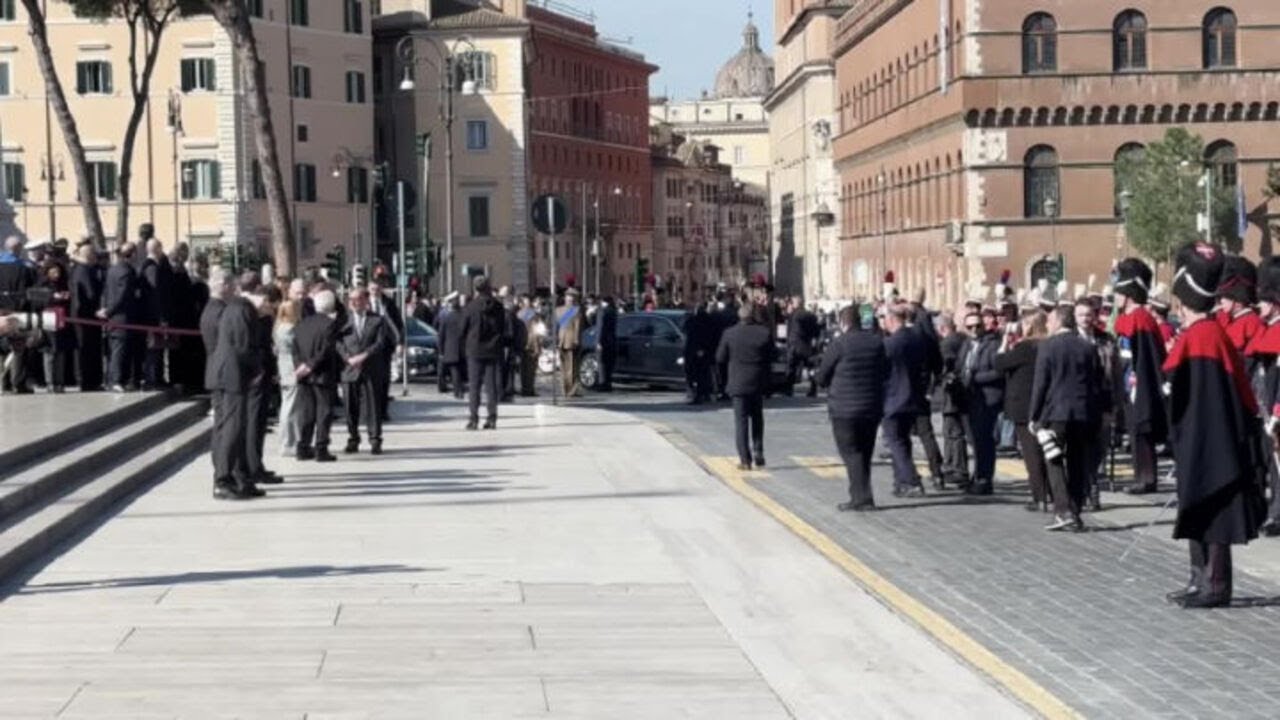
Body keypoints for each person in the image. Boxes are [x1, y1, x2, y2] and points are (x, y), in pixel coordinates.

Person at [1164, 242, 1265, 608]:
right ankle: (1199, 576)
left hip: (1212, 439)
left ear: (1183, 300)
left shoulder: (1205, 335)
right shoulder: (1200, 334)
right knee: (1197, 506)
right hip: (1199, 438)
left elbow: (1196, 394)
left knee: (1215, 510)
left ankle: (1216, 582)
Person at [1029, 305, 1107, 532]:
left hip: (1057, 412)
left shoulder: (1048, 347)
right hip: (1084, 412)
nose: (1047, 325)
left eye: (1050, 321)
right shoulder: (1088, 347)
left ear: (1059, 321)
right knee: (1078, 463)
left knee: (1053, 459)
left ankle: (1062, 510)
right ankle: (1075, 511)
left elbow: (1040, 383)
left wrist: (1034, 414)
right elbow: (1097, 382)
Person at [818, 305, 887, 511]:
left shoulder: (839, 344)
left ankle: (861, 498)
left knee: (850, 452)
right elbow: (885, 370)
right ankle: (862, 494)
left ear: (844, 322)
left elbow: (822, 377)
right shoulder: (877, 343)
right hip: (871, 406)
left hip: (844, 409)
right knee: (864, 452)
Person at [1113, 257, 1169, 494]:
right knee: (1134, 431)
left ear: (1128, 293)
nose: (1115, 296)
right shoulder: (1127, 317)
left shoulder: (1141, 318)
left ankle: (1147, 478)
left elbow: (1145, 356)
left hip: (1138, 381)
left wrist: (1138, 379)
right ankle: (1140, 475)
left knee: (1142, 431)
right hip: (1126, 380)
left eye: (1118, 291)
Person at [208, 275, 266, 500]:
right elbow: (243, 346)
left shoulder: (234, 308)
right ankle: (223, 479)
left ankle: (237, 476)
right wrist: (257, 368)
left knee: (232, 427)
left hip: (227, 373)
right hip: (232, 375)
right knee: (232, 428)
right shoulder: (243, 309)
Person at [994, 308, 1050, 512]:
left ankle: (1039, 496)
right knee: (1047, 452)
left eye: (1025, 323)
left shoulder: (1026, 347)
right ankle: (1051, 492)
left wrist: (1003, 344)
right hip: (1045, 405)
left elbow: (999, 364)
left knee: (1031, 453)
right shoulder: (1048, 345)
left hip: (1023, 406)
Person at [717, 304, 777, 470]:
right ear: (753, 317)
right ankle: (758, 451)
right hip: (757, 381)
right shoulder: (763, 332)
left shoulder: (729, 334)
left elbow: (720, 357)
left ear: (739, 317)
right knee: (757, 418)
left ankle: (745, 459)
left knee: (741, 421)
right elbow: (773, 355)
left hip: (737, 382)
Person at [881, 303, 930, 497]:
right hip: (914, 396)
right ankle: (900, 481)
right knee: (903, 441)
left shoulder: (891, 344)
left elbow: (882, 370)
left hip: (894, 398)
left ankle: (911, 480)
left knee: (895, 441)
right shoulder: (917, 339)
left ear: (892, 320)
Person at [1076, 298, 1119, 509]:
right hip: (1077, 401)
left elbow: (1116, 373)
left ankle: (1091, 481)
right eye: (1081, 314)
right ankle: (1088, 488)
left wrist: (1116, 403)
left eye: (1088, 314)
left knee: (1098, 448)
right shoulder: (1070, 339)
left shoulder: (1106, 340)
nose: (1085, 318)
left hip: (1102, 400)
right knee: (1080, 448)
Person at [338, 288, 390, 454]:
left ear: (366, 301)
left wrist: (364, 356)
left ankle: (375, 439)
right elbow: (337, 342)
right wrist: (348, 358)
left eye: (358, 298)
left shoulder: (377, 320)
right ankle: (353, 438)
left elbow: (380, 342)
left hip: (370, 368)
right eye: (351, 299)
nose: (353, 302)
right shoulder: (343, 320)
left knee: (373, 406)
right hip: (349, 368)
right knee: (350, 407)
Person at [960, 308, 1004, 495]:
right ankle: (977, 474)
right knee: (974, 439)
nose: (974, 330)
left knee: (984, 440)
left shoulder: (993, 344)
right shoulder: (967, 344)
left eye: (978, 326)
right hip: (969, 397)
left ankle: (985, 478)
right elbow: (961, 365)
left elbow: (998, 371)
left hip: (987, 397)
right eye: (970, 327)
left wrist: (976, 378)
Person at [292, 290, 339, 462]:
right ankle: (321, 447)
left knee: (307, 412)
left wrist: (300, 366)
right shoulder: (330, 324)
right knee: (324, 411)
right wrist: (311, 365)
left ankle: (303, 446)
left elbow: (294, 348)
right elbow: (326, 349)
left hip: (303, 374)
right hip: (322, 374)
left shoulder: (301, 324)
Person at [461, 276, 508, 430]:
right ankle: (492, 418)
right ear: (489, 287)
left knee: (474, 386)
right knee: (491, 386)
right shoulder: (498, 307)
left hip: (474, 351)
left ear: (475, 288)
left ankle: (473, 419)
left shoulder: (470, 307)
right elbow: (502, 328)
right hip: (493, 350)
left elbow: (463, 329)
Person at [99, 242, 141, 393]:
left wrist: (104, 309)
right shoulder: (127, 271)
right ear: (132, 254)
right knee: (119, 351)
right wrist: (109, 311)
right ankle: (115, 380)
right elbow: (122, 296)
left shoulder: (112, 269)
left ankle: (113, 379)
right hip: (122, 317)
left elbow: (106, 291)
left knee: (115, 350)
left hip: (113, 317)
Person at [938, 314, 970, 487]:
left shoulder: (947, 344)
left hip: (952, 394)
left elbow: (946, 366)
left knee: (953, 433)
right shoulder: (963, 339)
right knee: (952, 431)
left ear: (942, 328)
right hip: (961, 392)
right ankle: (951, 466)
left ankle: (957, 469)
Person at [138, 235, 173, 389]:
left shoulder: (147, 265)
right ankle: (153, 378)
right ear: (157, 249)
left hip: (149, 314)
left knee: (156, 348)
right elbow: (155, 293)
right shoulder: (152, 268)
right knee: (154, 348)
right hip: (152, 316)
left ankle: (156, 376)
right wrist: (161, 316)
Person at [69, 242, 104, 391]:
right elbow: (90, 293)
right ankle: (88, 381)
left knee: (87, 349)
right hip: (86, 316)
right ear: (89, 255)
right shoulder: (84, 271)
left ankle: (88, 380)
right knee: (88, 350)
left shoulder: (78, 269)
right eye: (94, 254)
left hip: (82, 316)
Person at [367, 281, 402, 423]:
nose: (375, 291)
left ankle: (382, 411)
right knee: (369, 381)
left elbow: (398, 323)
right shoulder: (363, 301)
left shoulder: (388, 303)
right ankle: (370, 411)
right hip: (368, 347)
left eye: (377, 289)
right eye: (372, 289)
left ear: (381, 289)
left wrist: (400, 342)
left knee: (383, 380)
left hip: (384, 347)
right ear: (368, 290)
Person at [273, 298, 302, 457]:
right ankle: (289, 442)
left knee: (288, 405)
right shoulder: (291, 329)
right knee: (291, 407)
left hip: (283, 368)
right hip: (292, 369)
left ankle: (289, 440)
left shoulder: (278, 328)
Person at [786, 296, 821, 397]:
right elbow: (816, 332)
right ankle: (813, 388)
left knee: (791, 367)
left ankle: (789, 389)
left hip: (794, 344)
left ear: (795, 304)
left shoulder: (792, 315)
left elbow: (789, 330)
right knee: (811, 367)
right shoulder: (810, 315)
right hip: (806, 345)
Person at [438, 293, 465, 398]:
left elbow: (441, 336)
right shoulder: (463, 316)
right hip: (463, 348)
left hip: (450, 349)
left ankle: (457, 391)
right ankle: (460, 389)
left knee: (455, 371)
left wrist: (441, 351)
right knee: (461, 370)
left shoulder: (446, 318)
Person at [558, 289, 584, 397]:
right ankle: (571, 390)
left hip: (561, 340)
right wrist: (577, 340)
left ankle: (565, 389)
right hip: (571, 341)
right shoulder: (576, 310)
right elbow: (577, 327)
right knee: (572, 367)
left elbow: (556, 326)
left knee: (563, 368)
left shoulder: (558, 310)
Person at [596, 295, 619, 391]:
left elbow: (601, 328)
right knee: (609, 363)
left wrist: (599, 341)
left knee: (602, 363)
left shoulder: (603, 312)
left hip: (604, 341)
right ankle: (608, 383)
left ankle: (602, 384)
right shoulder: (614, 311)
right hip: (612, 341)